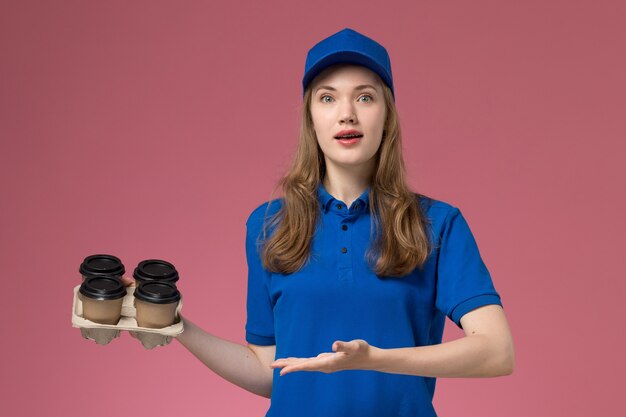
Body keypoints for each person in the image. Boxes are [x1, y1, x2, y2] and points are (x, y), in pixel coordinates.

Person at [123, 27, 514, 417]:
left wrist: (374, 359)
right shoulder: (268, 226)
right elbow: (268, 370)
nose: (347, 113)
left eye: (365, 97)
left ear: (387, 116)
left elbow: (497, 351)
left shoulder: (437, 224)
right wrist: (175, 326)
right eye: (328, 98)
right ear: (311, 119)